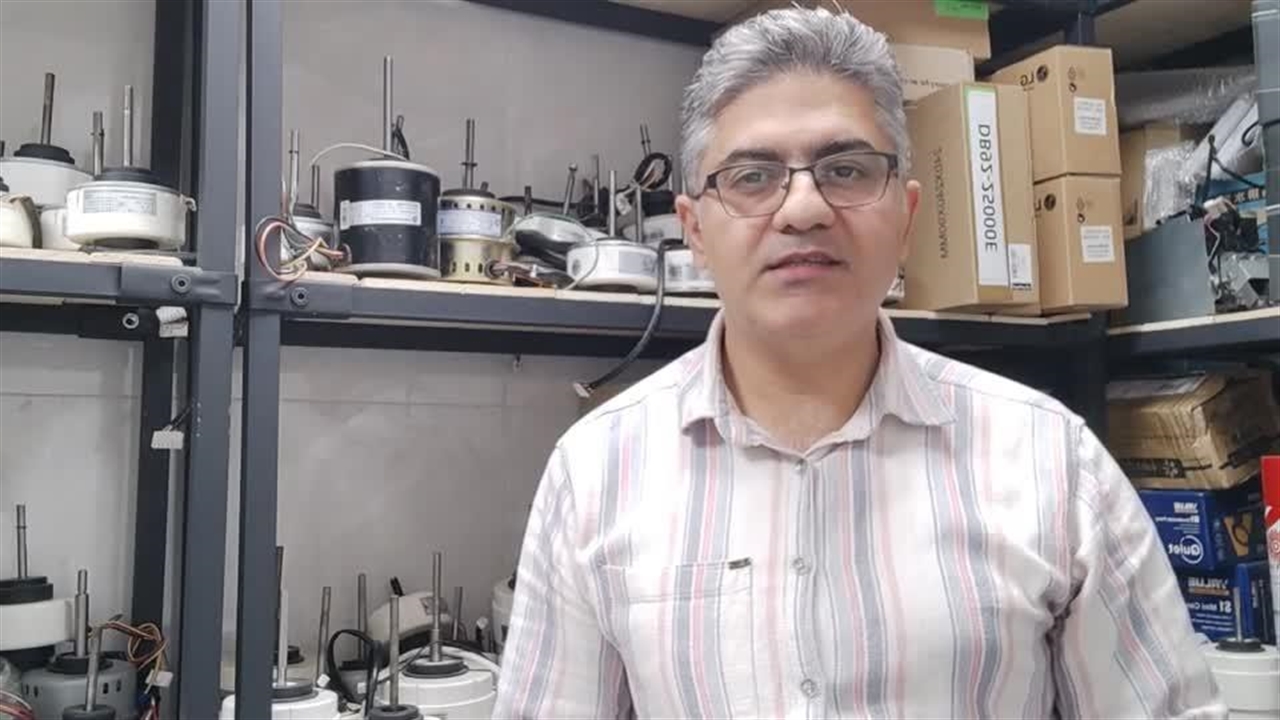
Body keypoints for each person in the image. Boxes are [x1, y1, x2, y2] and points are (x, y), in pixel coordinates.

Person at [493, 7, 1225, 719]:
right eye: (752, 176)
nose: (803, 208)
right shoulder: (595, 473)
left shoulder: (1052, 462)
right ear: (695, 231)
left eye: (845, 169)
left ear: (906, 216)